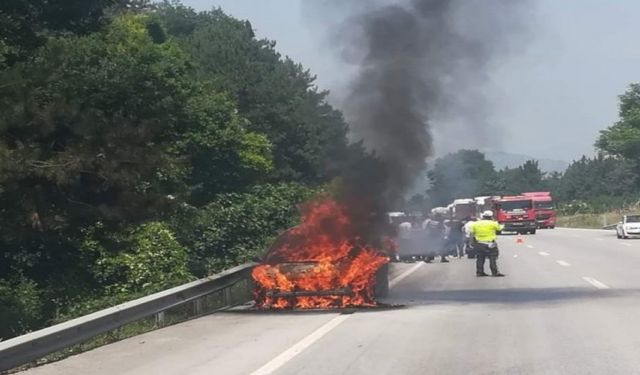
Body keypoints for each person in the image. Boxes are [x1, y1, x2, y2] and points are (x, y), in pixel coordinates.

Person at [470, 211, 505, 277]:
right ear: (491, 217)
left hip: (479, 243)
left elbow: (472, 234)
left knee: (480, 258)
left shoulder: (475, 224)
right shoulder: (493, 223)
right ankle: (494, 272)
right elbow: (500, 228)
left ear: (483, 216)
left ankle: (479, 272)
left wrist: (471, 242)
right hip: (490, 243)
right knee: (492, 257)